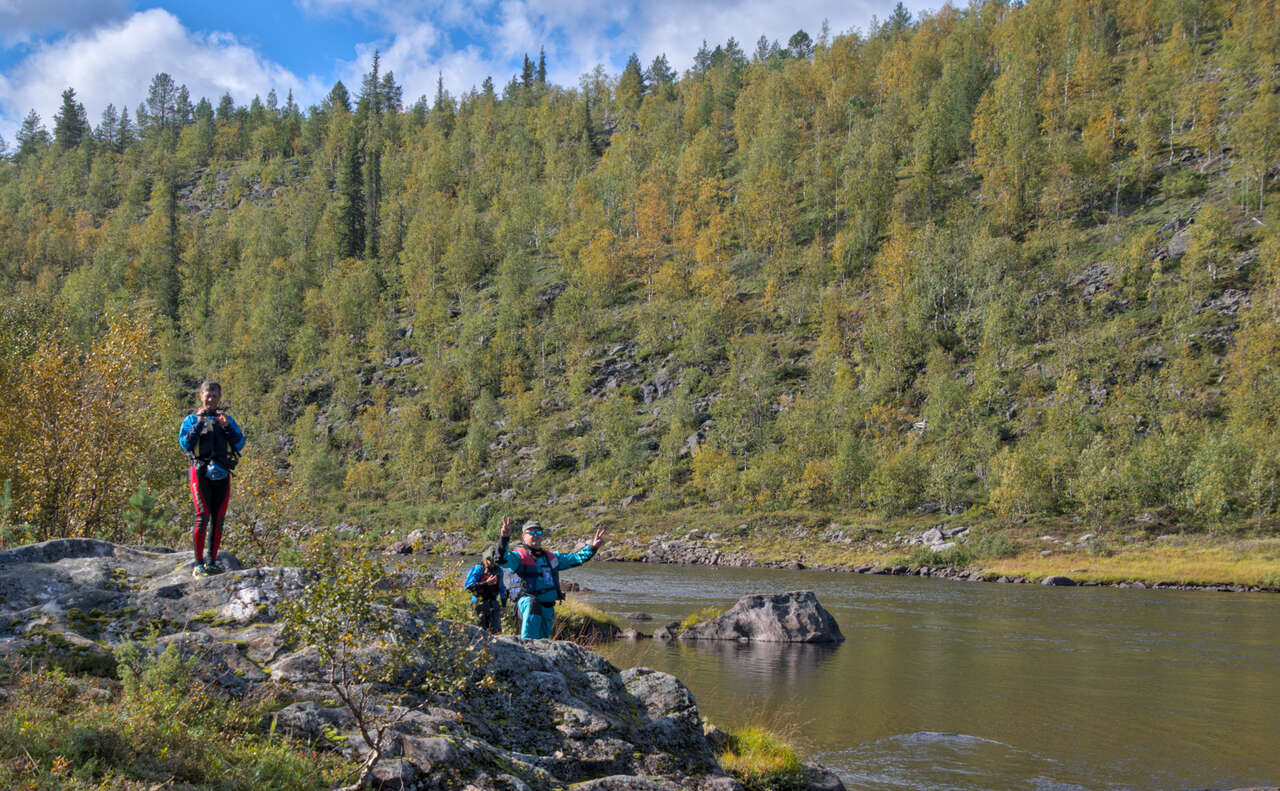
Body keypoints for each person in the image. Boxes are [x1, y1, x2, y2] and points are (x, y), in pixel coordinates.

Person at [494, 517, 606, 639]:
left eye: (539, 532)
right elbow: (501, 559)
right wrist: (504, 538)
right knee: (532, 605)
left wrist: (593, 547)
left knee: (543, 640)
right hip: (525, 603)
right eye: (531, 532)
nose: (535, 535)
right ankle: (527, 646)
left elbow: (576, 558)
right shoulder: (518, 557)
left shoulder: (551, 557)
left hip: (547, 606)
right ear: (523, 536)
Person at [178, 380, 245, 577]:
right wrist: (199, 422)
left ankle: (212, 562)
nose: (211, 398)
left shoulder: (226, 420)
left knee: (218, 519)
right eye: (208, 395)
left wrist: (226, 427)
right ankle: (198, 564)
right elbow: (185, 443)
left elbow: (239, 443)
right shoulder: (191, 420)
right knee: (202, 516)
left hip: (222, 474)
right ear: (201, 396)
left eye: (215, 395)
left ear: (219, 398)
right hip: (199, 473)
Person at [464, 555, 507, 633]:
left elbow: (502, 589)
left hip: (493, 604)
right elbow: (468, 586)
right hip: (479, 603)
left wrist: (504, 606)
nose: (494, 563)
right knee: (479, 633)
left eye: (496, 561)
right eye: (492, 561)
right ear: (486, 560)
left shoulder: (499, 571)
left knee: (496, 632)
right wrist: (486, 583)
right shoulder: (478, 569)